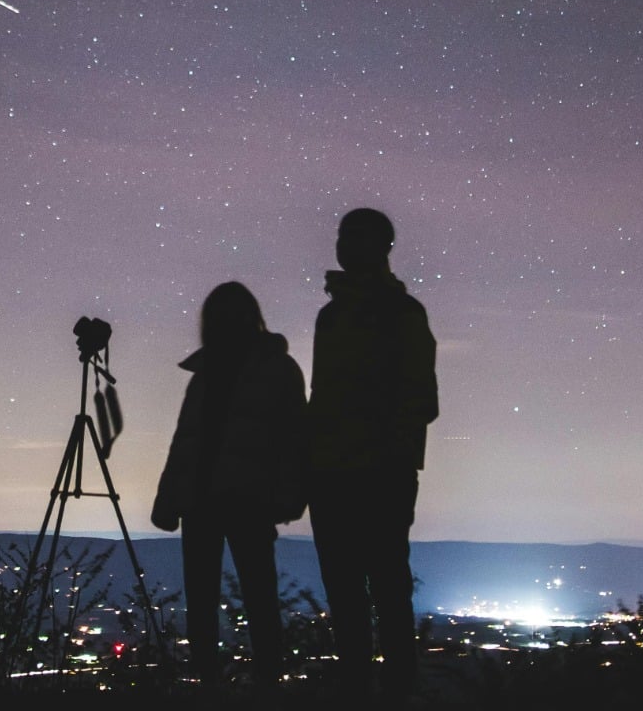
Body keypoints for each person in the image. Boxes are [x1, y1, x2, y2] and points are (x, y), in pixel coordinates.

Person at [305, 207, 439, 704]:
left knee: (383, 591)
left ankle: (392, 693)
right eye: (343, 237)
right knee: (352, 594)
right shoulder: (334, 316)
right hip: (337, 474)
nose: (344, 247)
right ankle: (362, 693)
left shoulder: (401, 314)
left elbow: (421, 400)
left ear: (382, 247)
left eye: (355, 238)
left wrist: (371, 445)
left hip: (377, 474)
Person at [151, 281, 307, 697]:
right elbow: (185, 442)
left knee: (252, 594)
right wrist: (169, 499)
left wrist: (288, 495)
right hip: (213, 499)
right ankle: (219, 682)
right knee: (223, 596)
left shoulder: (271, 369)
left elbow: (294, 437)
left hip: (243, 499)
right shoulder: (213, 374)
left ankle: (258, 681)